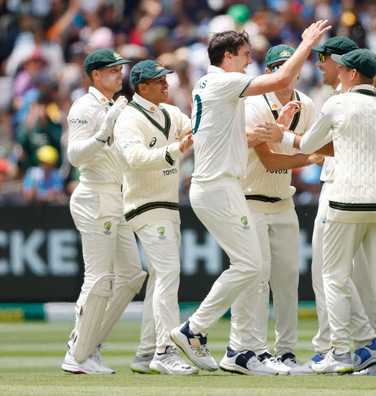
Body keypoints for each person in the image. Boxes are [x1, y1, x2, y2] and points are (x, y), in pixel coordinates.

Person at [170, 21, 331, 376]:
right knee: (251, 267)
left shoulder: (212, 86)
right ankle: (197, 331)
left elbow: (222, 133)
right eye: (245, 56)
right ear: (227, 57)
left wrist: (276, 126)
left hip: (218, 186)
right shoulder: (223, 81)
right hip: (220, 187)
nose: (248, 63)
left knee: (252, 267)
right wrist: (306, 43)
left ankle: (238, 350)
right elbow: (278, 80)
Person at [290, 36, 376, 374]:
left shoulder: (337, 104)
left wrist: (279, 133)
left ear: (350, 73)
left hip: (346, 199)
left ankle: (339, 353)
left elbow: (307, 144)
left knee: (334, 278)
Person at [114, 60, 205, 375]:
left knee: (160, 279)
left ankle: (146, 352)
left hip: (166, 205)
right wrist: (176, 150)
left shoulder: (168, 113)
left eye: (165, 80)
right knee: (168, 274)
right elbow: (135, 158)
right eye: (158, 82)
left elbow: (195, 128)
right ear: (141, 88)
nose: (166, 85)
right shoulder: (128, 118)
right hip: (144, 205)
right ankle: (165, 351)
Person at [61, 49, 146, 375]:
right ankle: (77, 353)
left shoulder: (115, 104)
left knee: (131, 276)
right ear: (95, 75)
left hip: (117, 197)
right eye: (112, 70)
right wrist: (102, 131)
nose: (119, 75)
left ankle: (88, 344)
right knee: (99, 279)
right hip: (94, 195)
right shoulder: (85, 106)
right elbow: (75, 156)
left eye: (120, 70)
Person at [236, 44, 318, 375]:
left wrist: (306, 151)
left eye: (291, 66)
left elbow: (317, 144)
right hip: (249, 199)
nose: (287, 72)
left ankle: (284, 352)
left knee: (286, 280)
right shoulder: (253, 103)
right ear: (269, 72)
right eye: (280, 67)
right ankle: (251, 350)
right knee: (256, 278)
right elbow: (269, 159)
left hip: (283, 201)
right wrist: (308, 157)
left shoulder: (307, 105)